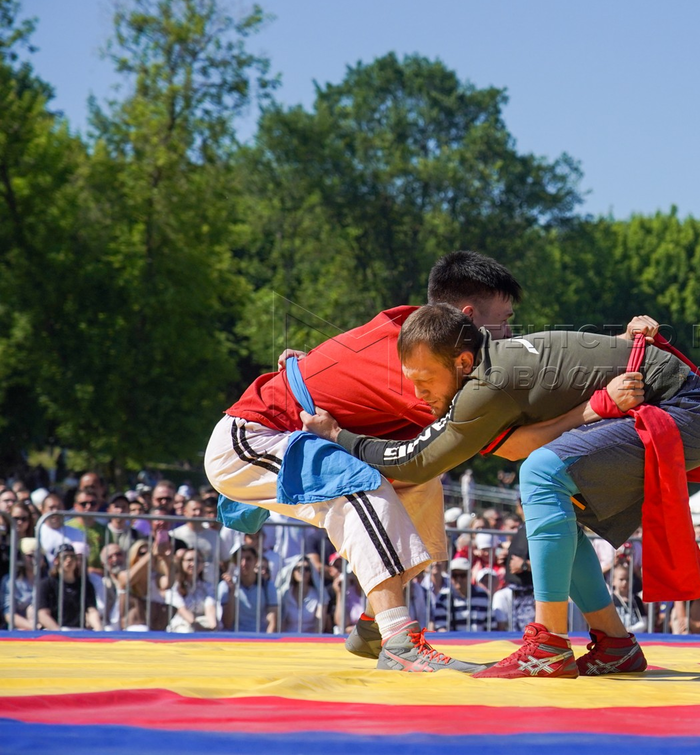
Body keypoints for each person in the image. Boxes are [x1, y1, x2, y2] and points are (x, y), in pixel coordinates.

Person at [204, 252, 600, 673]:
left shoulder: (417, 338)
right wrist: (595, 407)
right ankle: (398, 640)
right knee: (354, 485)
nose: (508, 333)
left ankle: (377, 625)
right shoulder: (421, 364)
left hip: (297, 433)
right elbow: (513, 442)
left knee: (421, 481)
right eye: (503, 320)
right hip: (250, 437)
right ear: (468, 316)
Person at [309, 305, 700, 677]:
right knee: (560, 506)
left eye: (424, 381)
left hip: (685, 411)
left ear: (463, 361)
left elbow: (417, 460)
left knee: (542, 473)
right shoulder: (496, 358)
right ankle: (614, 643)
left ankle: (548, 643)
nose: (419, 395)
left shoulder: (486, 386)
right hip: (690, 408)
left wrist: (337, 435)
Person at [35, 544, 101, 631]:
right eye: (64, 557)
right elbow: (42, 614)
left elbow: (92, 611)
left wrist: (98, 629)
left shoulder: (85, 585)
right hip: (53, 632)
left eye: (72, 557)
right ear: (56, 560)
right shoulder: (46, 584)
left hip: (79, 631)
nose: (69, 560)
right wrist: (60, 633)